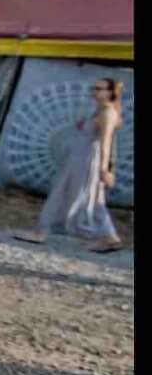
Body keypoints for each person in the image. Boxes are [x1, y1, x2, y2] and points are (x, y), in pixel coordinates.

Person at [16, 76, 126, 253]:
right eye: (95, 87)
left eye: (100, 88)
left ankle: (43, 231)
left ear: (110, 93)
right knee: (73, 193)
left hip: (88, 160)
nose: (95, 91)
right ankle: (106, 236)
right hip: (78, 158)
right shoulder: (97, 111)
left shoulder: (108, 112)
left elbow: (107, 142)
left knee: (86, 196)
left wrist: (106, 169)